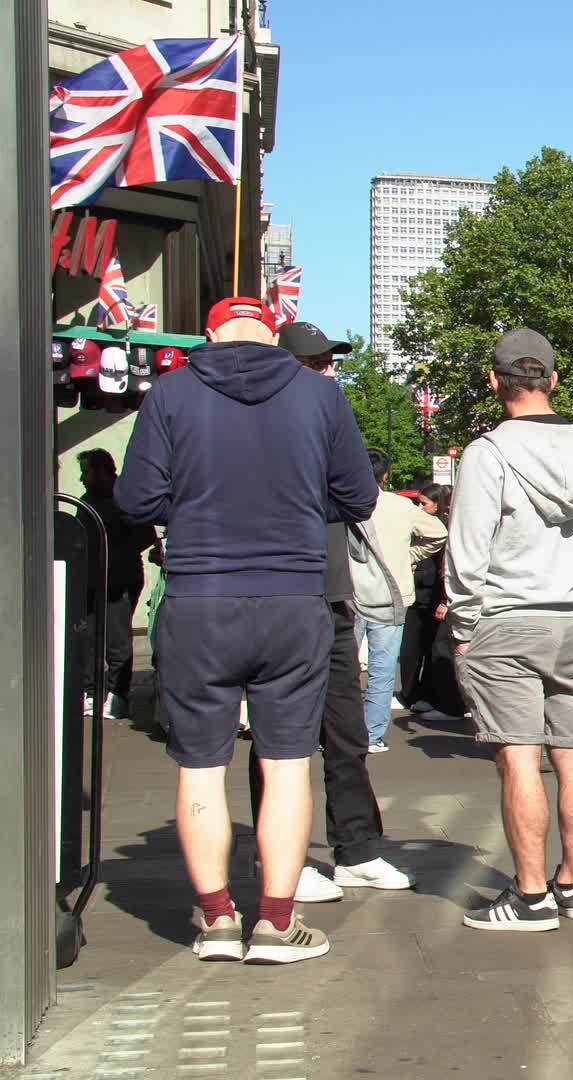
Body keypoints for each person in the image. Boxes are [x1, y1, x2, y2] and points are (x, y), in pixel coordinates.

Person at [117, 297, 377, 963]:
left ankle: (217, 921)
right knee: (287, 764)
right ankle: (277, 925)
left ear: (209, 334)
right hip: (293, 597)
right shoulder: (321, 397)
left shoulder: (170, 393)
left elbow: (136, 498)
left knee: (201, 766)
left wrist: (196, 505)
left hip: (199, 599)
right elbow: (358, 496)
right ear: (272, 333)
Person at [447, 328, 573, 932]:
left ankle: (529, 898)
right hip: (571, 619)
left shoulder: (488, 454)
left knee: (518, 758)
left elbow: (468, 552)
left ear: (494, 381)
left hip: (506, 617)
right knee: (572, 751)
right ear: (552, 379)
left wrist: (463, 626)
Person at [252, 320, 410, 906]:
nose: (330, 371)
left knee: (346, 732)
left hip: (332, 595)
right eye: (317, 363)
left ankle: (358, 850)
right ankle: (281, 860)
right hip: (281, 595)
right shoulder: (265, 424)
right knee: (279, 737)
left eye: (330, 362)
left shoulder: (330, 418)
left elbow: (358, 494)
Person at [356, 449, 447, 753]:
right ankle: (372, 734)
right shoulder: (399, 506)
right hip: (390, 594)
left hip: (350, 593)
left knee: (339, 668)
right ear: (384, 476)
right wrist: (408, 555)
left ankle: (331, 731)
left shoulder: (341, 502)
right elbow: (438, 533)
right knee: (381, 670)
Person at [76, 448, 157, 721]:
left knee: (116, 641)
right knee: (89, 638)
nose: (82, 478)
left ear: (101, 471)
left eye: (86, 471)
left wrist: (111, 561)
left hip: (118, 581)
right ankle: (91, 692)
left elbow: (145, 536)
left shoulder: (125, 498)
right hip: (91, 580)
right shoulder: (87, 500)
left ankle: (117, 696)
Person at [398, 483, 452, 710]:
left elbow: (442, 570)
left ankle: (428, 696)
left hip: (433, 597)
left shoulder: (444, 531)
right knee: (410, 649)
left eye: (424, 503)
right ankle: (410, 694)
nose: (419, 507)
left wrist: (444, 600)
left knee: (432, 650)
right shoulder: (416, 527)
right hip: (415, 597)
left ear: (437, 505)